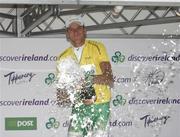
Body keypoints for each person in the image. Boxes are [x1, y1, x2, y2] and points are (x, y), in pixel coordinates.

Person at [56, 15, 114, 137]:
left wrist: (86, 79)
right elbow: (61, 96)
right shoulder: (62, 57)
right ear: (67, 34)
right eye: (71, 29)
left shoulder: (97, 47)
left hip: (100, 105)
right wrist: (68, 91)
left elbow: (109, 77)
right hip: (79, 107)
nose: (75, 31)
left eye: (78, 28)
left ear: (84, 30)